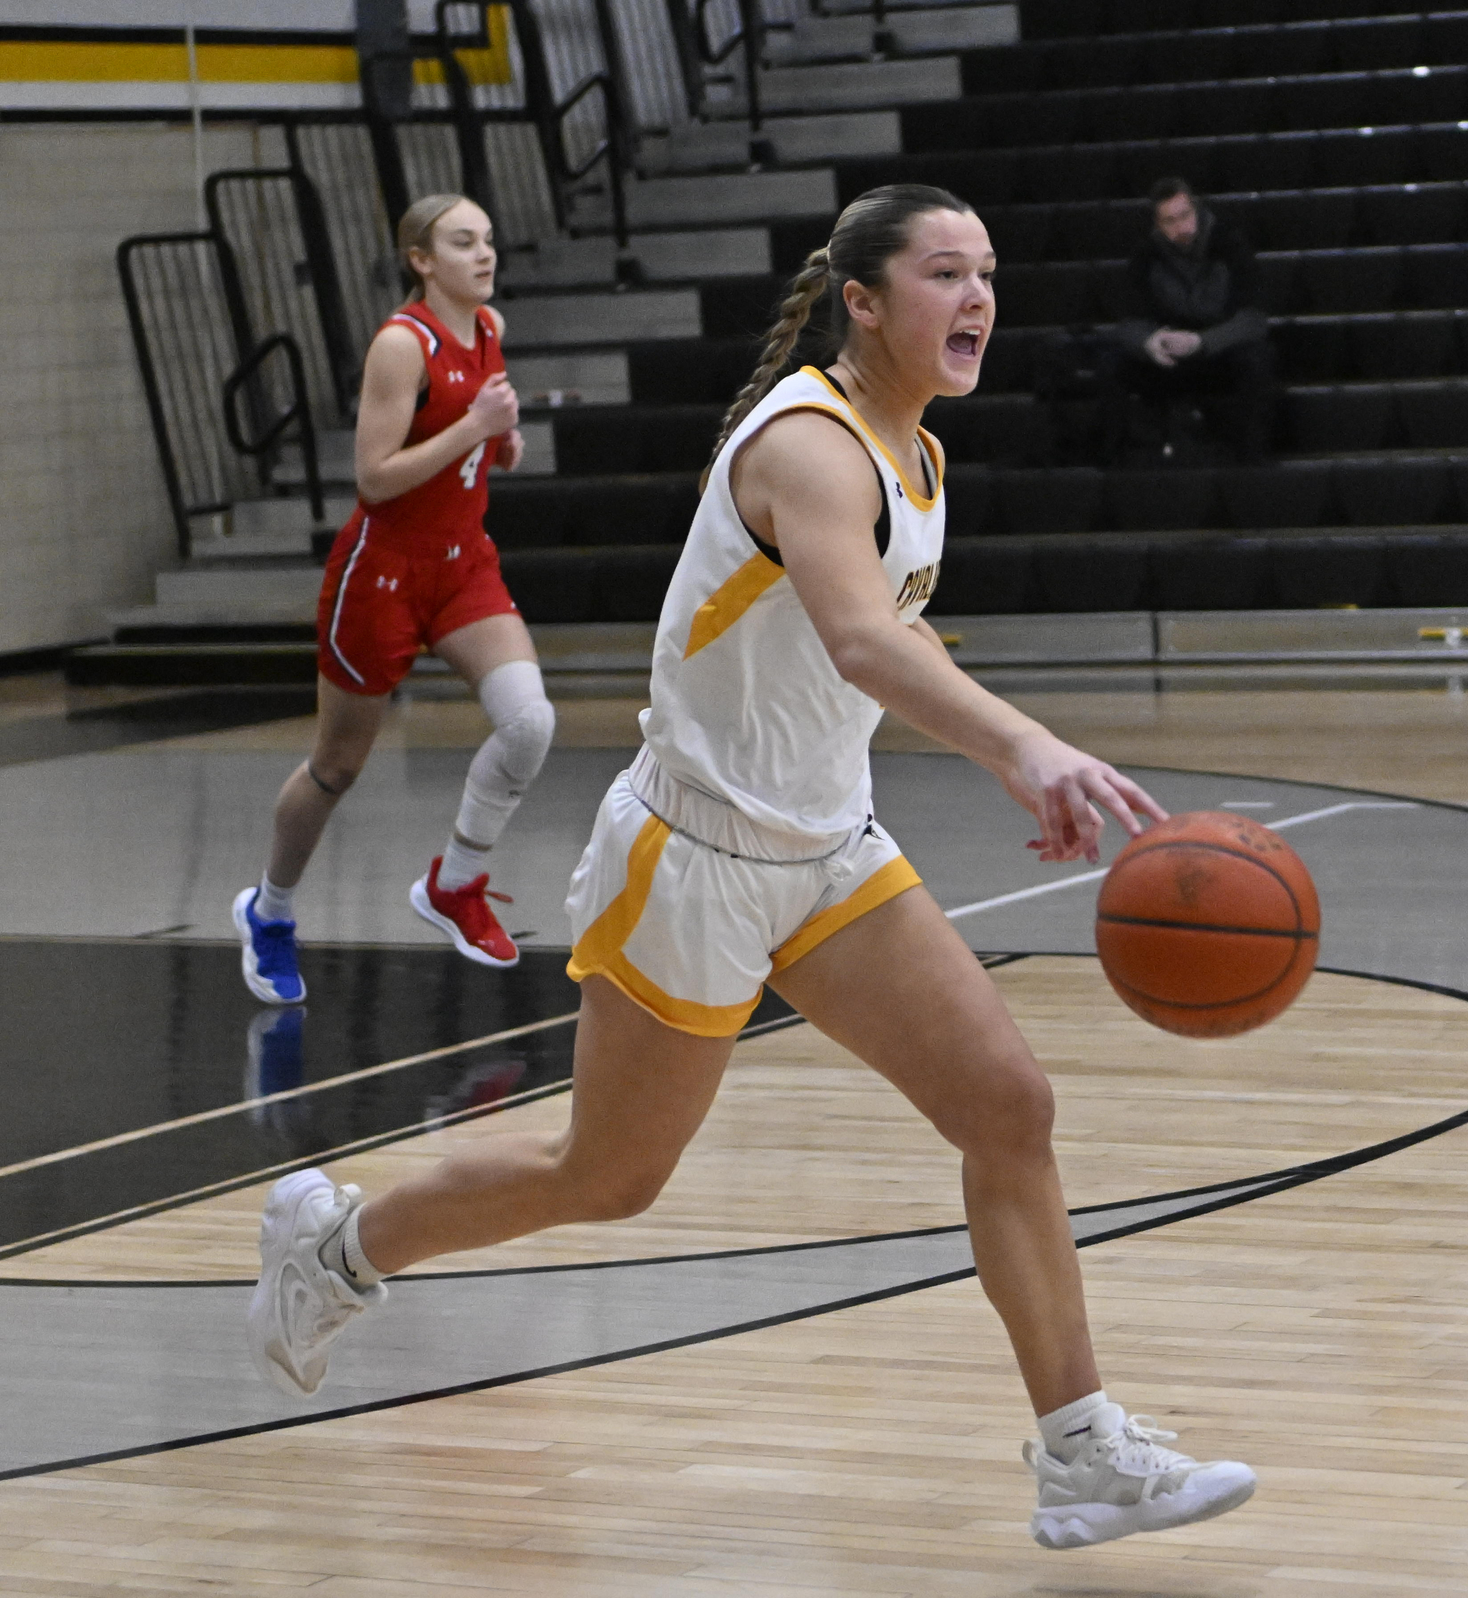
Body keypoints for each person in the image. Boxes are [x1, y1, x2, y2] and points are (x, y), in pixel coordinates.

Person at [243, 185, 1257, 1552]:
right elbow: (856, 638)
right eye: (945, 273)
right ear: (862, 302)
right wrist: (1025, 750)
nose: (978, 300)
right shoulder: (808, 442)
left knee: (1009, 1106)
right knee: (607, 1175)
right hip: (696, 858)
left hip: (829, 850)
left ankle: (1080, 1448)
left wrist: (998, 742)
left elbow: (883, 641)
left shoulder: (917, 455)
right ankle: (339, 1246)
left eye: (989, 271)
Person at [232, 193, 554, 1003]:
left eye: (488, 239)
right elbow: (374, 480)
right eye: (462, 242)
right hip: (382, 575)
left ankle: (455, 881)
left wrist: (498, 442)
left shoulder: (490, 330)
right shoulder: (399, 346)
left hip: (462, 565)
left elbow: (470, 447)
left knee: (530, 722)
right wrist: (473, 430)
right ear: (421, 259)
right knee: (338, 766)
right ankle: (269, 911)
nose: (484, 255)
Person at [1107, 176, 1275, 462]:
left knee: (1258, 359)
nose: (1181, 226)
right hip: (1170, 358)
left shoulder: (1229, 243)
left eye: (1185, 215)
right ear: (1158, 225)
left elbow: (1255, 319)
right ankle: (1116, 460)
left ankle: (1252, 460)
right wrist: (1150, 341)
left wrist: (1203, 341)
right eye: (1170, 221)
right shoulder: (1146, 255)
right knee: (1111, 363)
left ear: (1196, 210)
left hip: (1219, 350)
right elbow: (1126, 321)